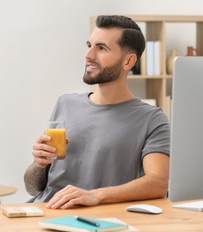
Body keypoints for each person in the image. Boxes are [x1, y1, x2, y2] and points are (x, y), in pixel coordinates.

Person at [23, 15, 170, 210]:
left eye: (102, 48)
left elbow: (158, 184)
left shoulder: (152, 119)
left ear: (128, 62)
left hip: (95, 220)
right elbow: (33, 188)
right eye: (89, 45)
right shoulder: (65, 103)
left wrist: (94, 195)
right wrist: (39, 164)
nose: (89, 55)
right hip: (44, 211)